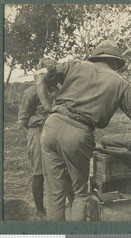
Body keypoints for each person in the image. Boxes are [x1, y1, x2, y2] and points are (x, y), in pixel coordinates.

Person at [34, 40, 131, 221]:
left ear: (96, 56)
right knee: (80, 194)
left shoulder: (75, 65)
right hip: (78, 132)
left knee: (55, 193)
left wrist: (48, 106)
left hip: (51, 127)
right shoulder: (121, 83)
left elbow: (40, 74)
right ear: (116, 62)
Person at [18, 57, 74, 220]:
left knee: (64, 169)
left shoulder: (57, 90)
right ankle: (40, 210)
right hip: (37, 134)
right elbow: (23, 119)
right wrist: (42, 120)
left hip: (58, 132)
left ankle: (72, 203)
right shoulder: (30, 93)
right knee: (39, 172)